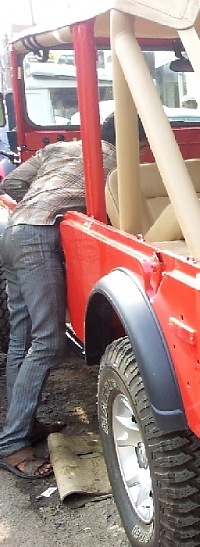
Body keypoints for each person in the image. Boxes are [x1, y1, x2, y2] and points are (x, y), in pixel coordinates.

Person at [0, 113, 144, 478]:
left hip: (14, 232)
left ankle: (24, 427)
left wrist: (37, 204)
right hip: (39, 239)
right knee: (49, 343)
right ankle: (12, 444)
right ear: (134, 142)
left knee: (22, 338)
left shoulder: (60, 147)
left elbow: (14, 183)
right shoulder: (117, 165)